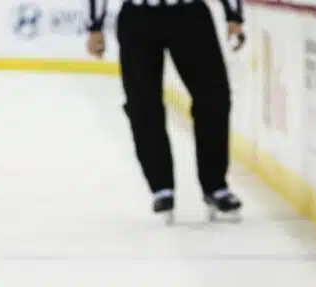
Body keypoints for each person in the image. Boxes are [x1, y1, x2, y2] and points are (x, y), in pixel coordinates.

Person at [86, 0, 246, 222]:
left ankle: (215, 186)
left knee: (214, 98)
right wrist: (94, 25)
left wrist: (234, 15)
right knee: (142, 104)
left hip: (189, 16)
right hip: (138, 18)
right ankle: (161, 187)